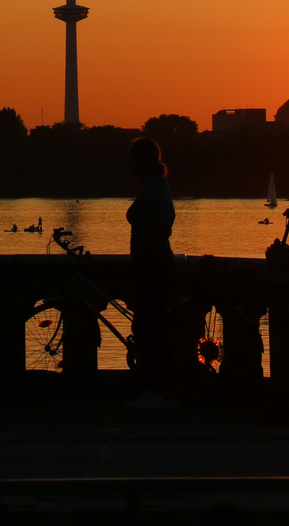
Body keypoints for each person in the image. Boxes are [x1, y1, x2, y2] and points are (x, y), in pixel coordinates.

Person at [125, 136, 178, 412]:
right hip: (154, 265)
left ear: (142, 159)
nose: (128, 161)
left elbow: (162, 230)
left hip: (153, 267)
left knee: (151, 332)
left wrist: (141, 253)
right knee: (149, 330)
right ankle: (155, 390)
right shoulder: (155, 186)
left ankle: (159, 393)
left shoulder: (153, 190)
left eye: (132, 155)